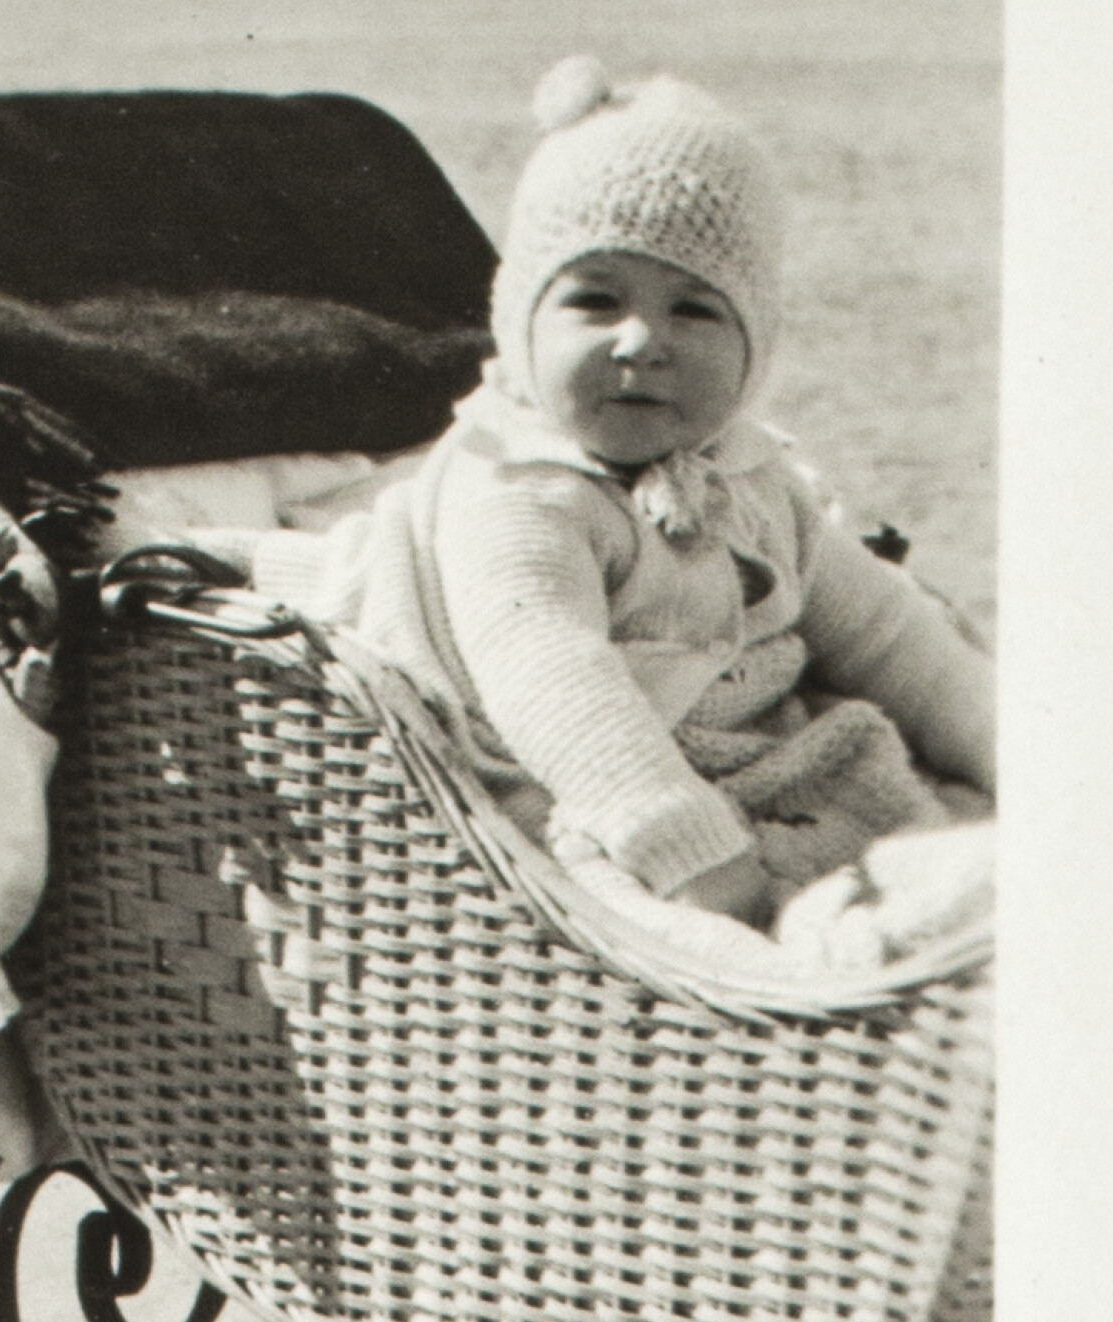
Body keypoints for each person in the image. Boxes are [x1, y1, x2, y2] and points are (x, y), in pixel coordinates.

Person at [198, 57, 995, 929]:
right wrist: (700, 858)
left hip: (735, 750)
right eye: (596, 299)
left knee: (920, 809)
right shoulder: (518, 488)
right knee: (662, 903)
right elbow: (557, 683)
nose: (640, 340)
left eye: (694, 310)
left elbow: (886, 630)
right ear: (522, 322)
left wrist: (1002, 745)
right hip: (585, 773)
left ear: (753, 345)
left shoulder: (751, 475)